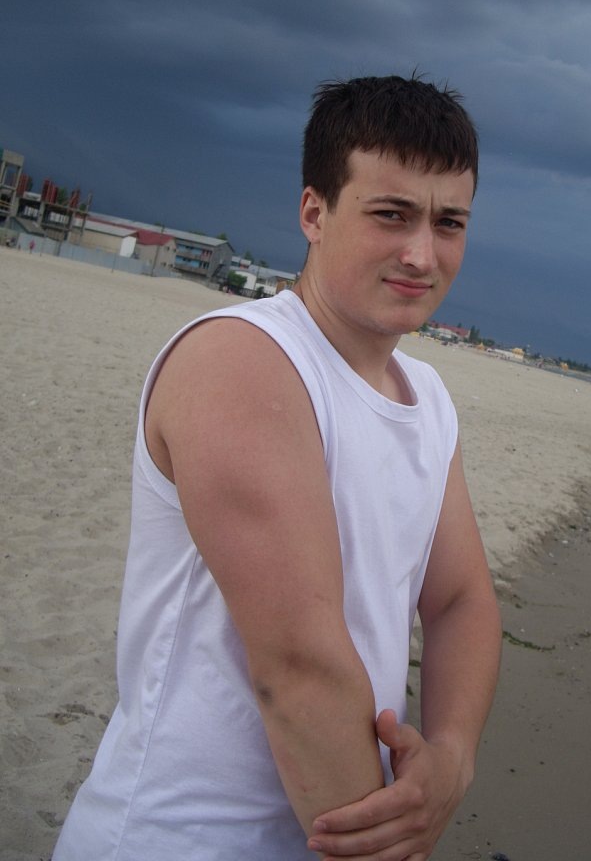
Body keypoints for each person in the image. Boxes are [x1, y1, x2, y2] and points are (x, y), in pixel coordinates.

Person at [54, 74, 501, 860]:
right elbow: (300, 668)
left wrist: (453, 755)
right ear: (314, 213)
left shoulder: (426, 399)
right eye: (391, 214)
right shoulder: (244, 360)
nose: (421, 253)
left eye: (449, 222)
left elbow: (461, 598)